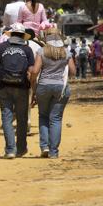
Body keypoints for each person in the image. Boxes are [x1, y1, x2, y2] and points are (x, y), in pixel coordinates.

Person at [0, 23, 35, 159]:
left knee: (6, 117)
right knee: (22, 118)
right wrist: (34, 90)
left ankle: (10, 150)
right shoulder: (27, 49)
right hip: (22, 87)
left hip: (4, 86)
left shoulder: (1, 47)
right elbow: (31, 72)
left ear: (11, 34)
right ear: (23, 36)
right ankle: (21, 148)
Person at [30, 28, 76, 158]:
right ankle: (53, 152)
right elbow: (73, 71)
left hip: (43, 86)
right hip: (61, 88)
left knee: (43, 116)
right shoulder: (66, 52)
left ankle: (44, 146)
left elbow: (35, 71)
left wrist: (34, 87)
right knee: (55, 118)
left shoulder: (41, 51)